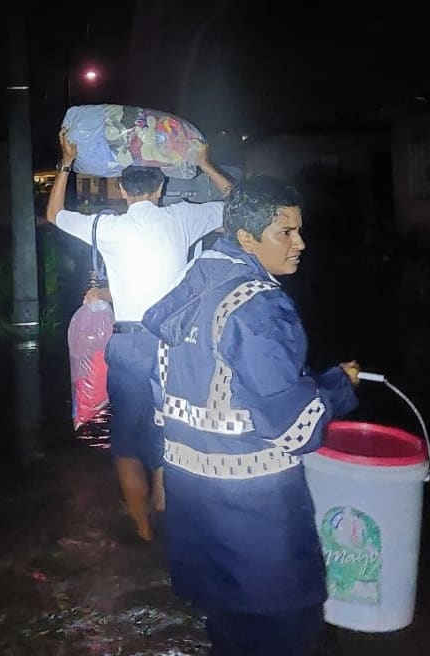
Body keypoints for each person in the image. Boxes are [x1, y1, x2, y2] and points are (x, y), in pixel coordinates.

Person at [141, 176, 361, 655]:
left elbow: (160, 399)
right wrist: (339, 385)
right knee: (287, 635)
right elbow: (295, 427)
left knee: (230, 635)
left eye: (299, 230)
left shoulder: (188, 289)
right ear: (246, 238)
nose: (301, 243)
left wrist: (160, 473)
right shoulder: (260, 307)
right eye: (285, 232)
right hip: (259, 528)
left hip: (197, 513)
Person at [46, 127, 233, 542]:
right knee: (172, 429)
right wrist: (204, 163)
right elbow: (236, 207)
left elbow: (54, 215)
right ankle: (166, 501)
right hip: (176, 344)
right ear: (161, 187)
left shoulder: (109, 228)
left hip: (129, 345)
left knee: (127, 443)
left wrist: (66, 162)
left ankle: (143, 530)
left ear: (122, 191)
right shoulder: (182, 218)